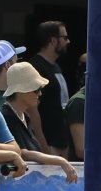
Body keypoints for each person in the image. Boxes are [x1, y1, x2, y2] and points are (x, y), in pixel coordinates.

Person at [0, 62, 78, 182]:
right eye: (36, 90)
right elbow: (21, 152)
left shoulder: (24, 117)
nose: (40, 94)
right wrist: (60, 161)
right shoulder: (6, 116)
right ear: (20, 90)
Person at [26, 21, 71, 156]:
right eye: (64, 38)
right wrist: (43, 146)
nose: (68, 42)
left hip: (62, 142)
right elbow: (32, 110)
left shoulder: (56, 67)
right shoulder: (36, 68)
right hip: (48, 144)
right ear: (53, 40)